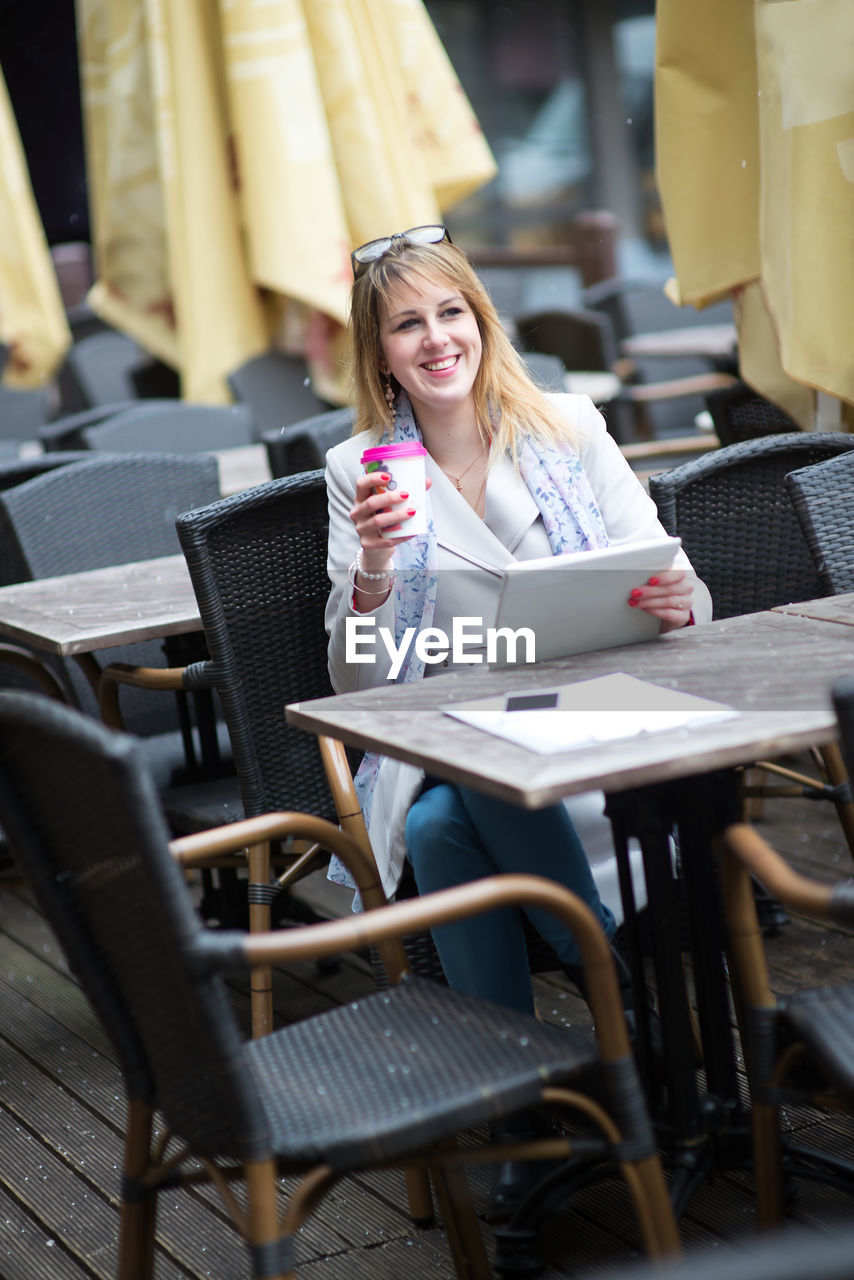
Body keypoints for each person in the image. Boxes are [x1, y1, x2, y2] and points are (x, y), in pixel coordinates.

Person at [324, 225, 712, 1214]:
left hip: (598, 727)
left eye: (450, 312)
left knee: (436, 825)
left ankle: (516, 1111)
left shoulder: (567, 426)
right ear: (378, 353)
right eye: (407, 323)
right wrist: (371, 571)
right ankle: (615, 999)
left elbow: (681, 589)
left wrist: (673, 600)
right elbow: (360, 679)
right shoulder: (360, 470)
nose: (435, 337)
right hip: (459, 737)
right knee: (437, 812)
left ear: (480, 323)